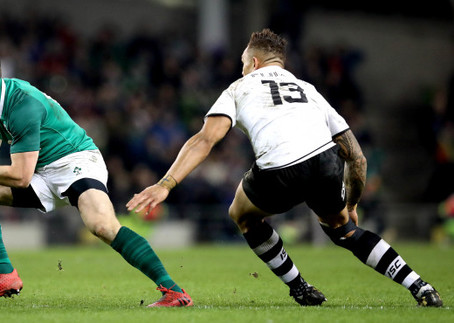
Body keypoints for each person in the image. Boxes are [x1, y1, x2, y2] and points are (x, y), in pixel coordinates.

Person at [127, 29, 442, 307]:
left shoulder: (240, 87)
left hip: (280, 169)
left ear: (253, 64)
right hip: (325, 163)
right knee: (345, 231)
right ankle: (420, 285)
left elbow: (205, 140)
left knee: (241, 213)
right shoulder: (308, 89)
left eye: (242, 65)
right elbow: (357, 157)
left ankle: (299, 287)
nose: (242, 70)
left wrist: (166, 183)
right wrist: (352, 203)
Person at [0, 39, 192, 307]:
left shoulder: (22, 105)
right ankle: (3, 274)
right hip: (41, 171)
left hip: (76, 161)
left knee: (102, 226)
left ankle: (173, 291)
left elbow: (20, 176)